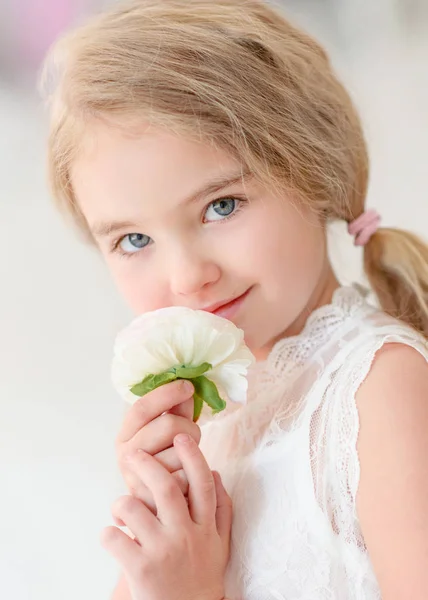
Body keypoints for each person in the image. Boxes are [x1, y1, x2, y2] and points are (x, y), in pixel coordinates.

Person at [40, 1, 428, 598]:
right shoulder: (213, 422)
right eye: (134, 239)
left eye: (221, 206)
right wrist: (159, 525)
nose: (188, 276)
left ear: (314, 168)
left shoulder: (380, 392)